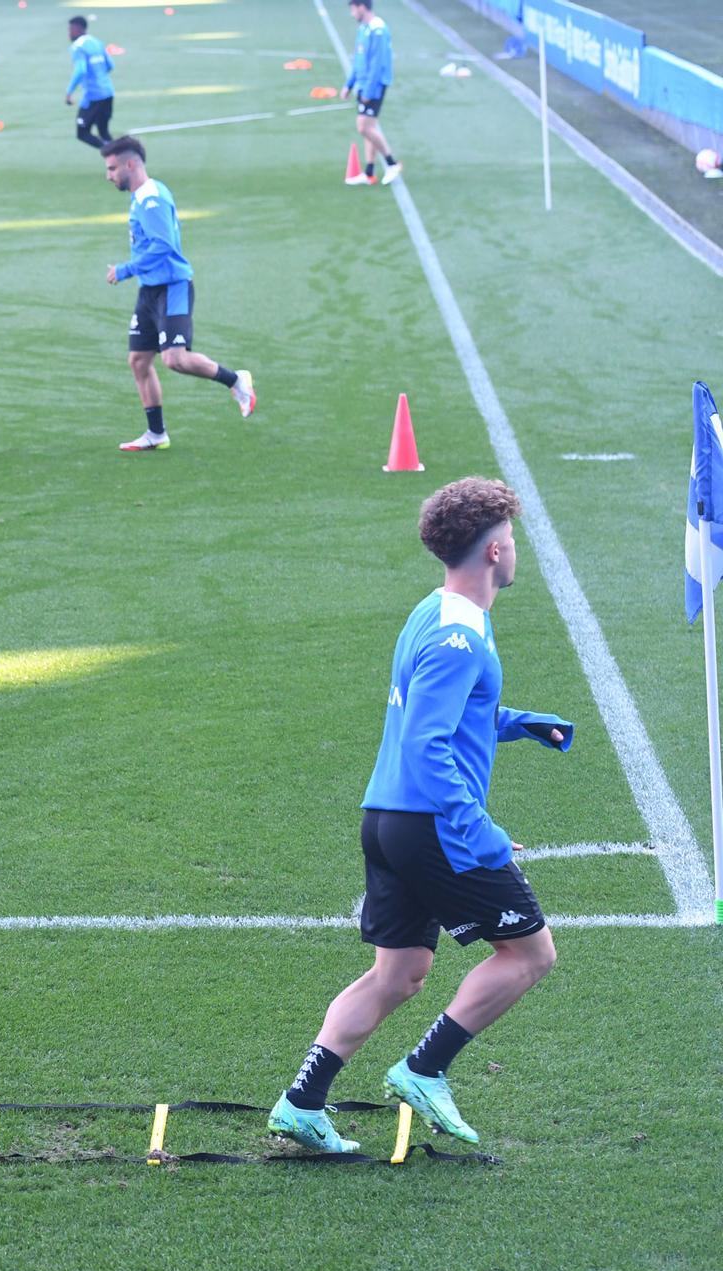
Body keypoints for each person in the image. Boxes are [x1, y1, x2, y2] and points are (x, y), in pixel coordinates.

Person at [268, 478, 570, 1154]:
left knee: (397, 973)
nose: (516, 551)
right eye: (513, 540)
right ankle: (424, 1067)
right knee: (529, 953)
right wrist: (477, 828)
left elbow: (435, 716)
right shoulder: (460, 638)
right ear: (494, 550)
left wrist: (517, 723)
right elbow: (428, 744)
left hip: (388, 817)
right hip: (432, 821)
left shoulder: (432, 612)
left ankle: (302, 1101)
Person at [99, 136, 255, 452]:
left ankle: (236, 381)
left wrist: (125, 270)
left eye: (113, 168)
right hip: (150, 290)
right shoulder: (142, 196)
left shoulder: (152, 199)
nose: (109, 175)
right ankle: (156, 434)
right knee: (139, 361)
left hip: (172, 288)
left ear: (131, 164)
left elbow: (164, 245)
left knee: (175, 359)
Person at [344, 0, 400, 185]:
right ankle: (369, 173)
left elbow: (377, 64)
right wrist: (349, 84)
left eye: (353, 9)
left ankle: (392, 163)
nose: (352, 14)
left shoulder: (378, 30)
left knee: (364, 127)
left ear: (361, 7)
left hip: (373, 86)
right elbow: (359, 59)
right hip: (363, 84)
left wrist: (368, 90)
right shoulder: (364, 29)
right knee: (369, 128)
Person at [65, 17, 116, 149]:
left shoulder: (77, 47)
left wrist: (69, 91)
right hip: (108, 92)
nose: (69, 33)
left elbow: (81, 70)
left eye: (71, 29)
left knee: (82, 133)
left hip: (93, 96)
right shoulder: (96, 42)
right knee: (104, 132)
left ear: (79, 29)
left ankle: (110, 152)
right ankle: (118, 156)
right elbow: (110, 65)